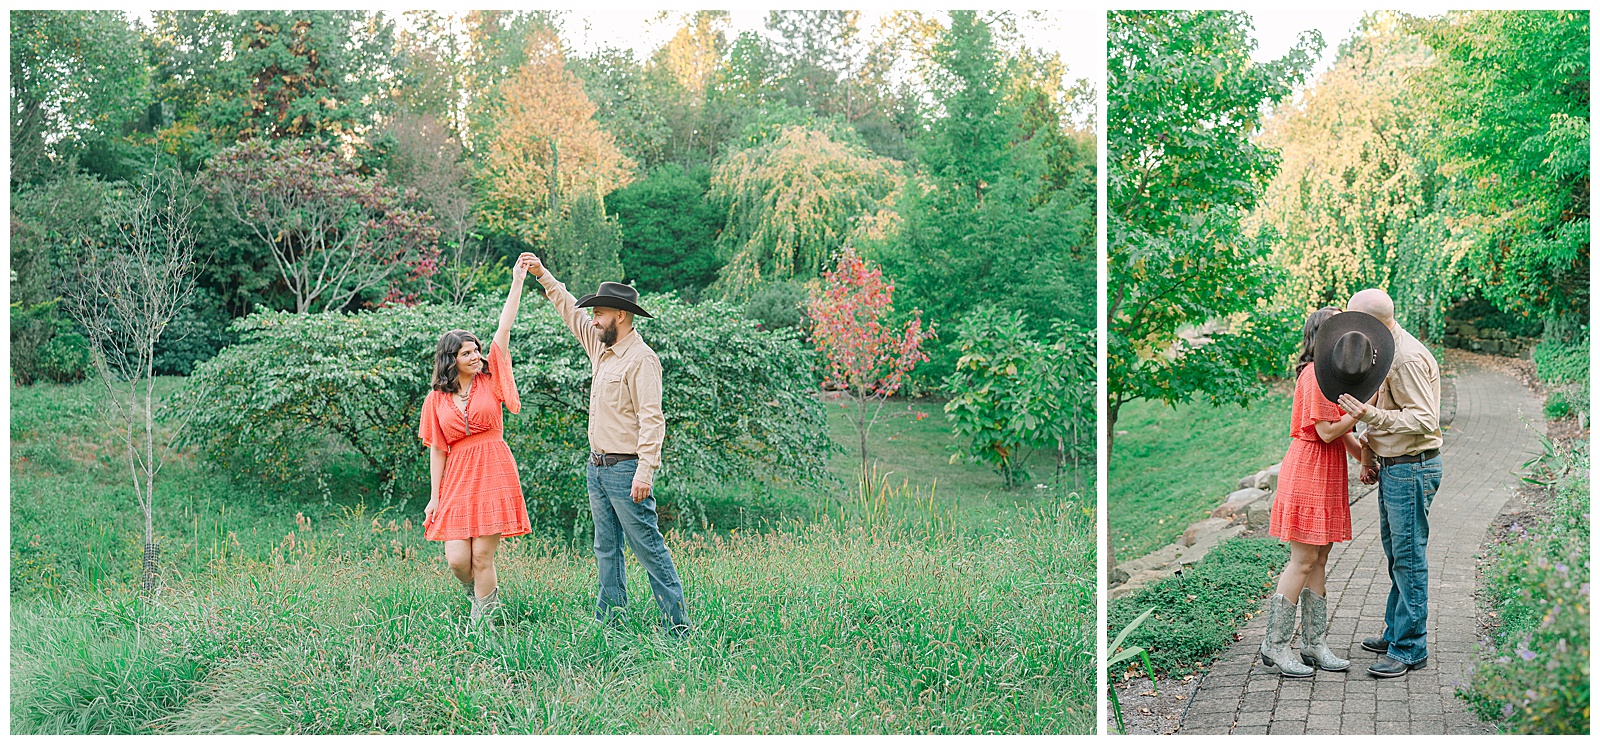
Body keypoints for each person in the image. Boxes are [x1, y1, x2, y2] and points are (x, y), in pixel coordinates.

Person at [528, 256, 690, 635]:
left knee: (648, 548)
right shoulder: (601, 347)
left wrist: (645, 471)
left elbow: (652, 419)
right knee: (606, 549)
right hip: (597, 468)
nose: (593, 319)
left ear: (620, 315)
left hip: (626, 470)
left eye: (599, 313)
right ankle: (611, 622)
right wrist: (543, 275)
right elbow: (569, 309)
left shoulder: (642, 360)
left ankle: (677, 628)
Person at [419, 252, 541, 623]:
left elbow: (504, 327)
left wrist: (518, 281)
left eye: (475, 350)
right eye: (466, 352)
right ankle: (482, 599)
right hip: (457, 477)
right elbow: (438, 450)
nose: (475, 356)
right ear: (450, 359)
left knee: (482, 557)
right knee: (458, 560)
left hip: (493, 469)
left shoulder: (490, 379)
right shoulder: (436, 399)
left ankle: (486, 625)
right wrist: (434, 498)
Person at [1258, 307, 1373, 677]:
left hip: (1327, 471)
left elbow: (1344, 434)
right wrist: (1364, 411)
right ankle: (1274, 645)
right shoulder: (1312, 376)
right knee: (1302, 560)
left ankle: (1313, 642)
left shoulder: (1333, 377)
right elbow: (1326, 432)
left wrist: (1364, 461)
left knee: (1320, 560)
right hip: (1309, 469)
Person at [1335, 288, 1443, 679]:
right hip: (1394, 466)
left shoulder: (1407, 358)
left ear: (1374, 322)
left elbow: (1425, 420)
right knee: (1399, 556)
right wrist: (1369, 448)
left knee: (1410, 559)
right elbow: (1387, 408)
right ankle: (1396, 630)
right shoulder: (1384, 348)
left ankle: (1410, 648)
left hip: (1413, 467)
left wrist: (1370, 416)